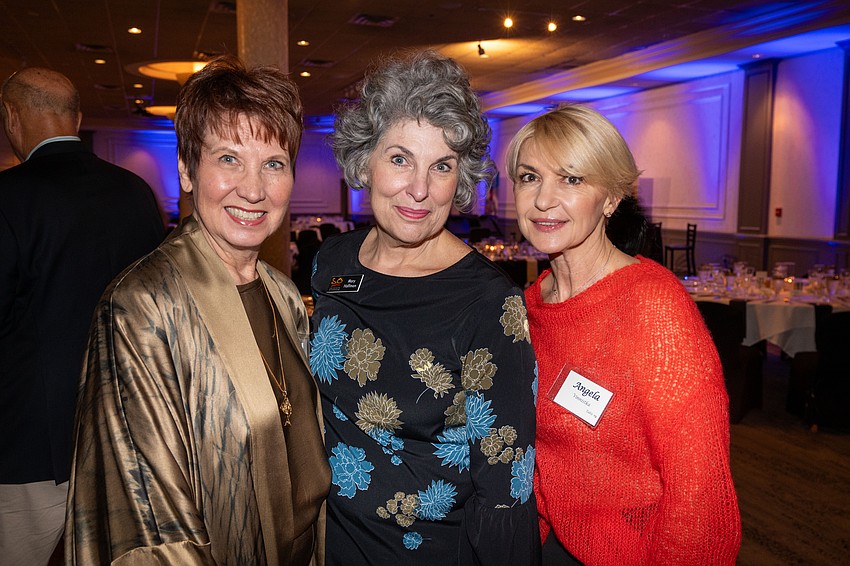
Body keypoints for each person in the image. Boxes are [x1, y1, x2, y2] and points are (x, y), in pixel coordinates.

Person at [65, 55, 330, 564]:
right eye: (229, 159)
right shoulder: (140, 309)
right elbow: (151, 520)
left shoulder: (283, 295)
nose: (253, 189)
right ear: (186, 170)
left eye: (274, 163)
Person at [310, 50, 540, 564]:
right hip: (331, 542)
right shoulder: (333, 262)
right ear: (364, 161)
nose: (420, 189)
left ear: (461, 179)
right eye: (400, 159)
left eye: (442, 166)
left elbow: (506, 487)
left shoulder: (487, 302)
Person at [506, 104, 741, 565]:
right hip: (550, 546)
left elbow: (700, 493)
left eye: (571, 179)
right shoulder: (529, 307)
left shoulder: (652, 307)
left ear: (612, 198)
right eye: (529, 177)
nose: (543, 200)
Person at [0, 67, 165, 565]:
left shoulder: (9, 196)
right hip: (127, 431)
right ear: (76, 118)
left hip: (30, 440)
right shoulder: (136, 192)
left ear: (11, 117)